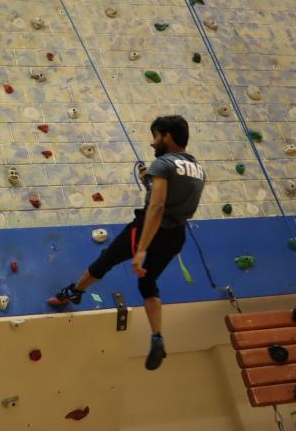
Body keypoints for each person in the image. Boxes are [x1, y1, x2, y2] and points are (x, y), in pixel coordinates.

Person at [47, 115, 206, 370]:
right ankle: (157, 336)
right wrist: (149, 183)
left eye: (156, 136)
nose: (153, 143)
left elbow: (157, 207)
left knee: (106, 260)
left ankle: (74, 292)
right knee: (148, 282)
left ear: (167, 136)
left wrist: (141, 248)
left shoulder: (163, 164)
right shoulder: (198, 170)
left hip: (147, 230)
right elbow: (173, 200)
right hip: (176, 236)